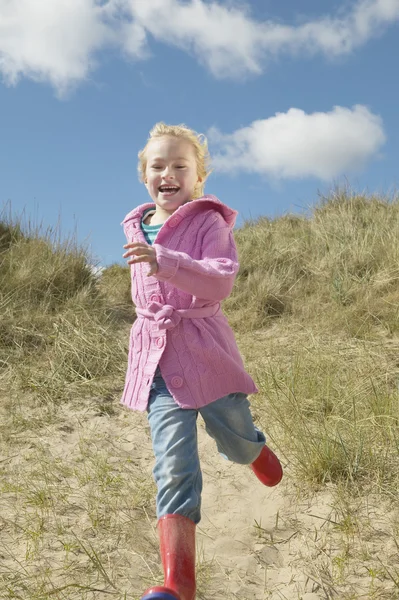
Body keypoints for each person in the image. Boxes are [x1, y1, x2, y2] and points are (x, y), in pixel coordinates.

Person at [121, 122, 283, 600]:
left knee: (232, 441)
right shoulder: (133, 225)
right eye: (157, 166)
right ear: (144, 176)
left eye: (179, 166)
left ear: (197, 177)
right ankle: (178, 584)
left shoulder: (209, 222)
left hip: (205, 352)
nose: (167, 172)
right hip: (158, 363)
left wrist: (164, 261)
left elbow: (219, 282)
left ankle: (253, 450)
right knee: (174, 465)